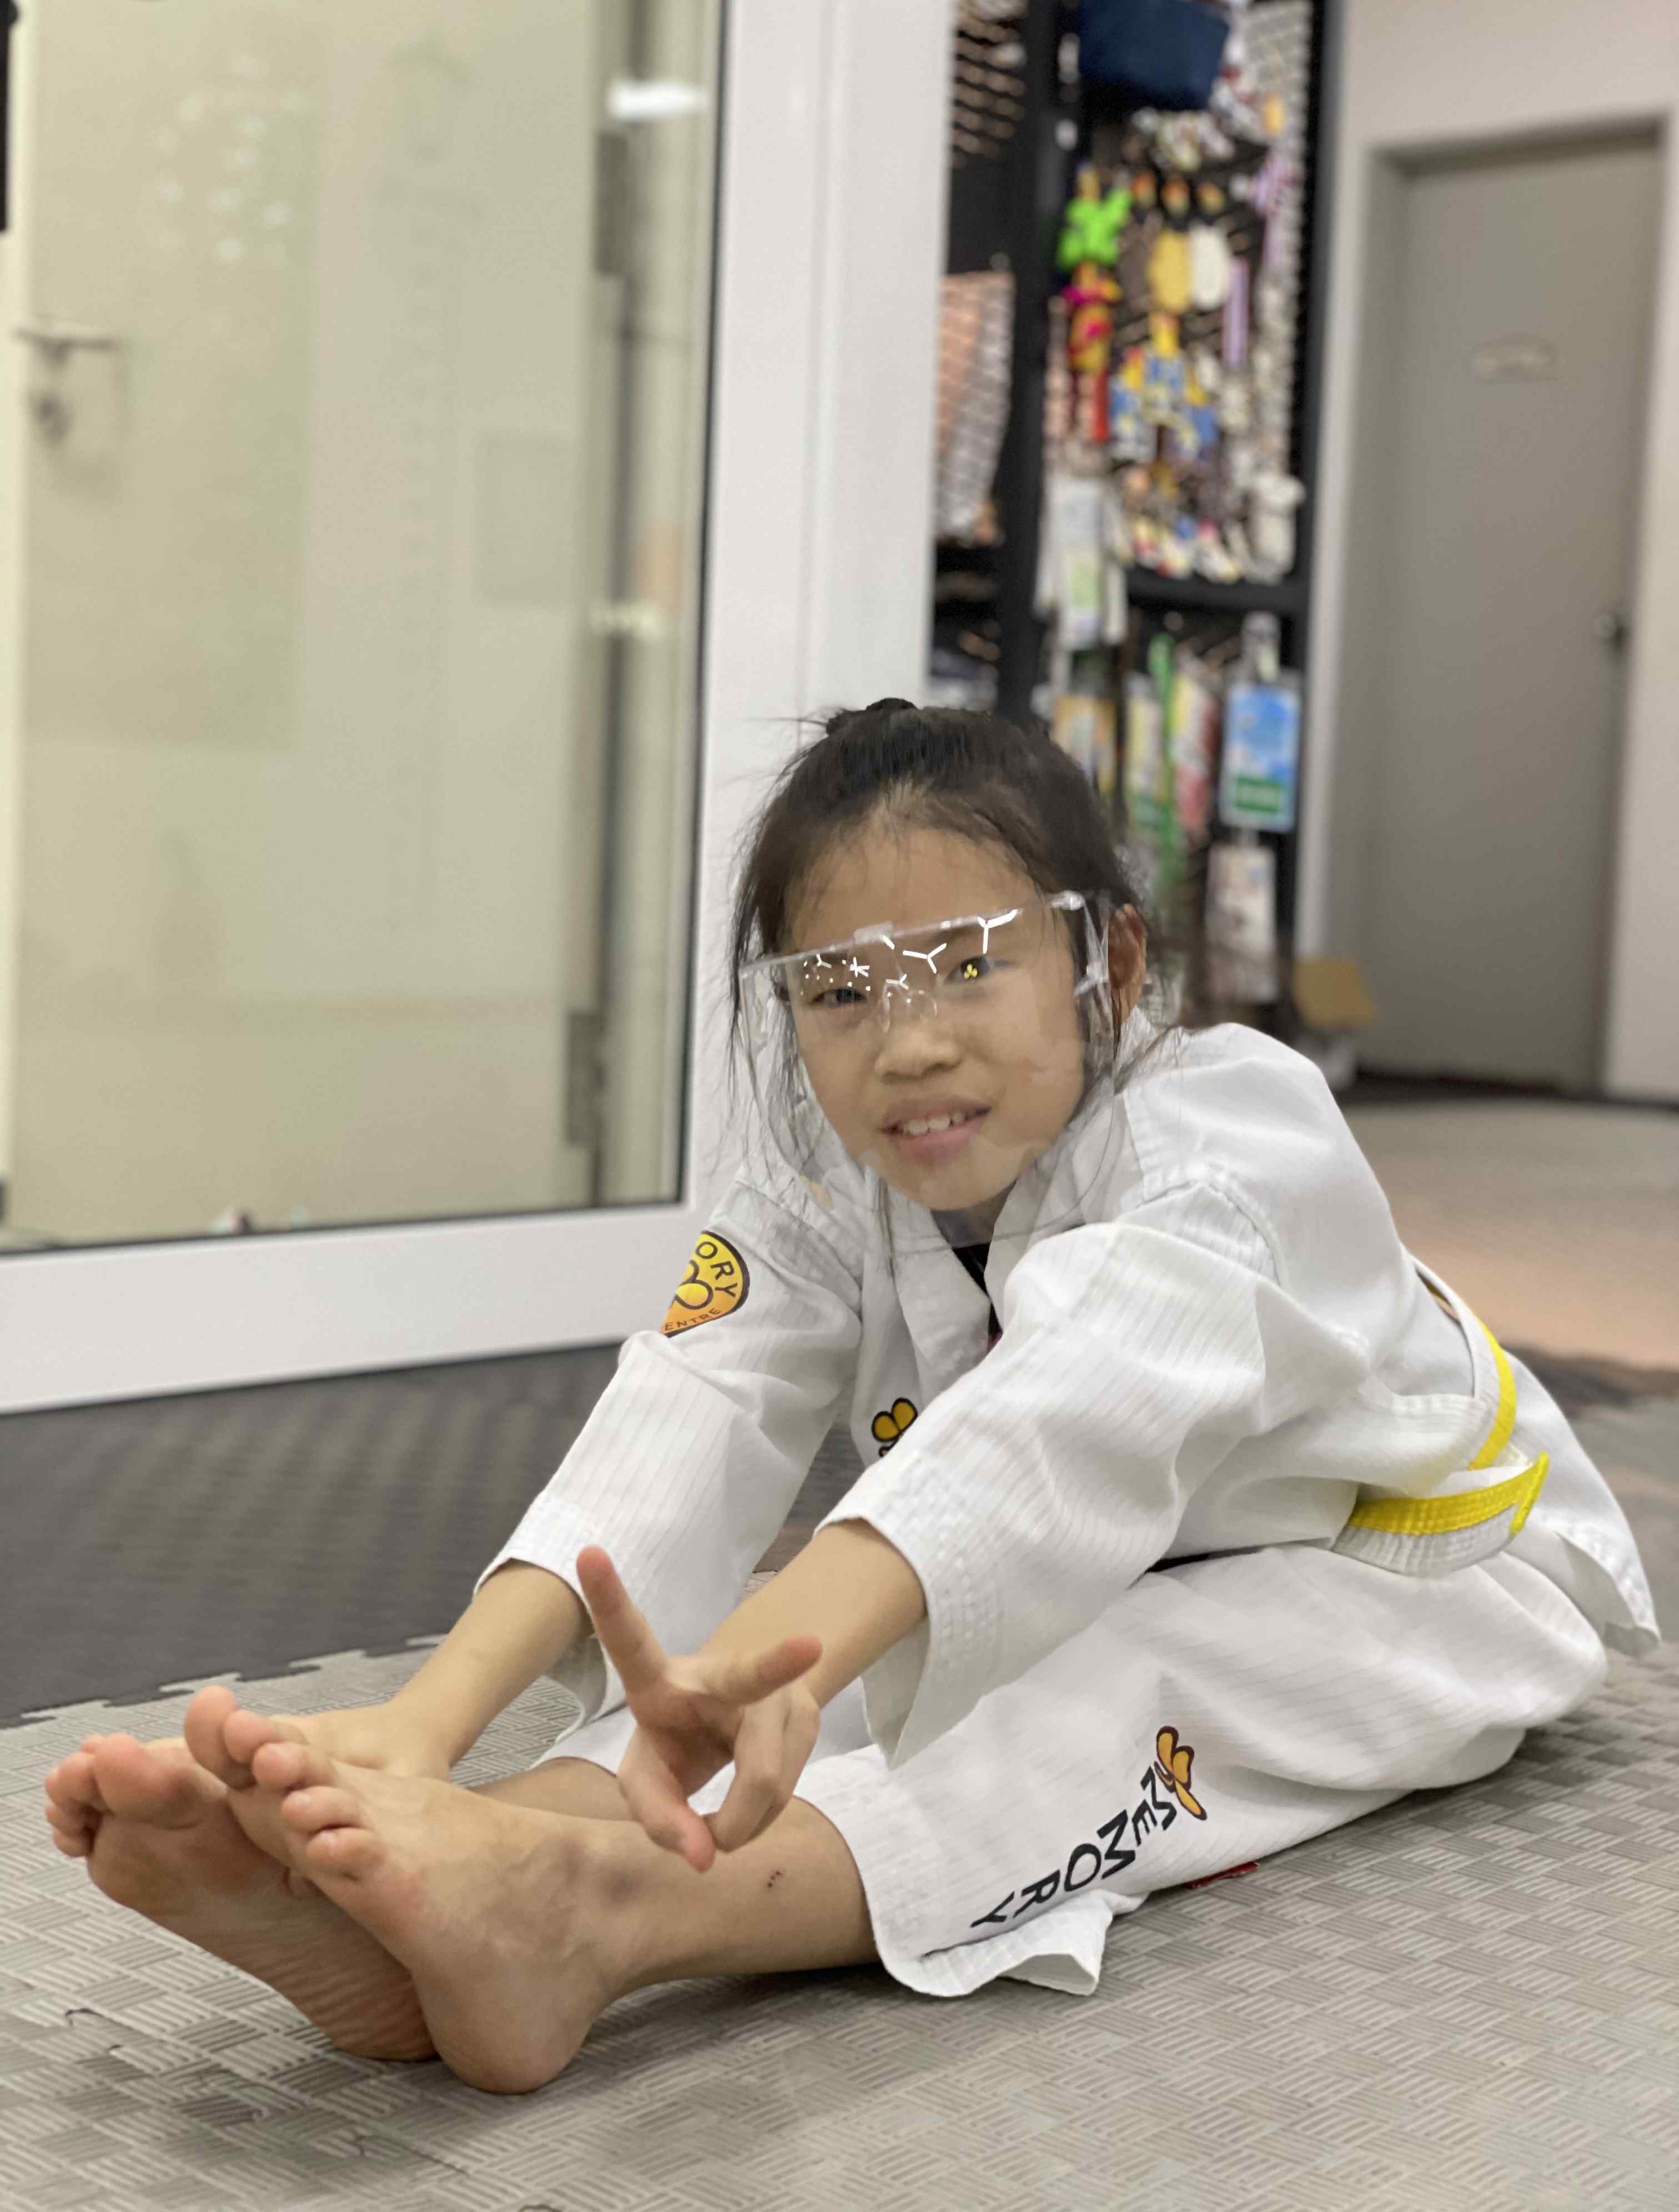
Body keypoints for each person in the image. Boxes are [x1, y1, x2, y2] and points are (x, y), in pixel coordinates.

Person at [44, 701, 1657, 2096]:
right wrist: (423, 1729)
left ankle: (600, 1919)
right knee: (800, 1645)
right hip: (1116, 1556)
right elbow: (685, 1417)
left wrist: (772, 1659)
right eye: (841, 991)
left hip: (1421, 1577)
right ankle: (468, 1884)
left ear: (1108, 961)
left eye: (967, 966)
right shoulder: (827, 1178)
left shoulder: (1233, 1142)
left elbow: (1043, 1442)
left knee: (1036, 1682)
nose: (908, 1045)